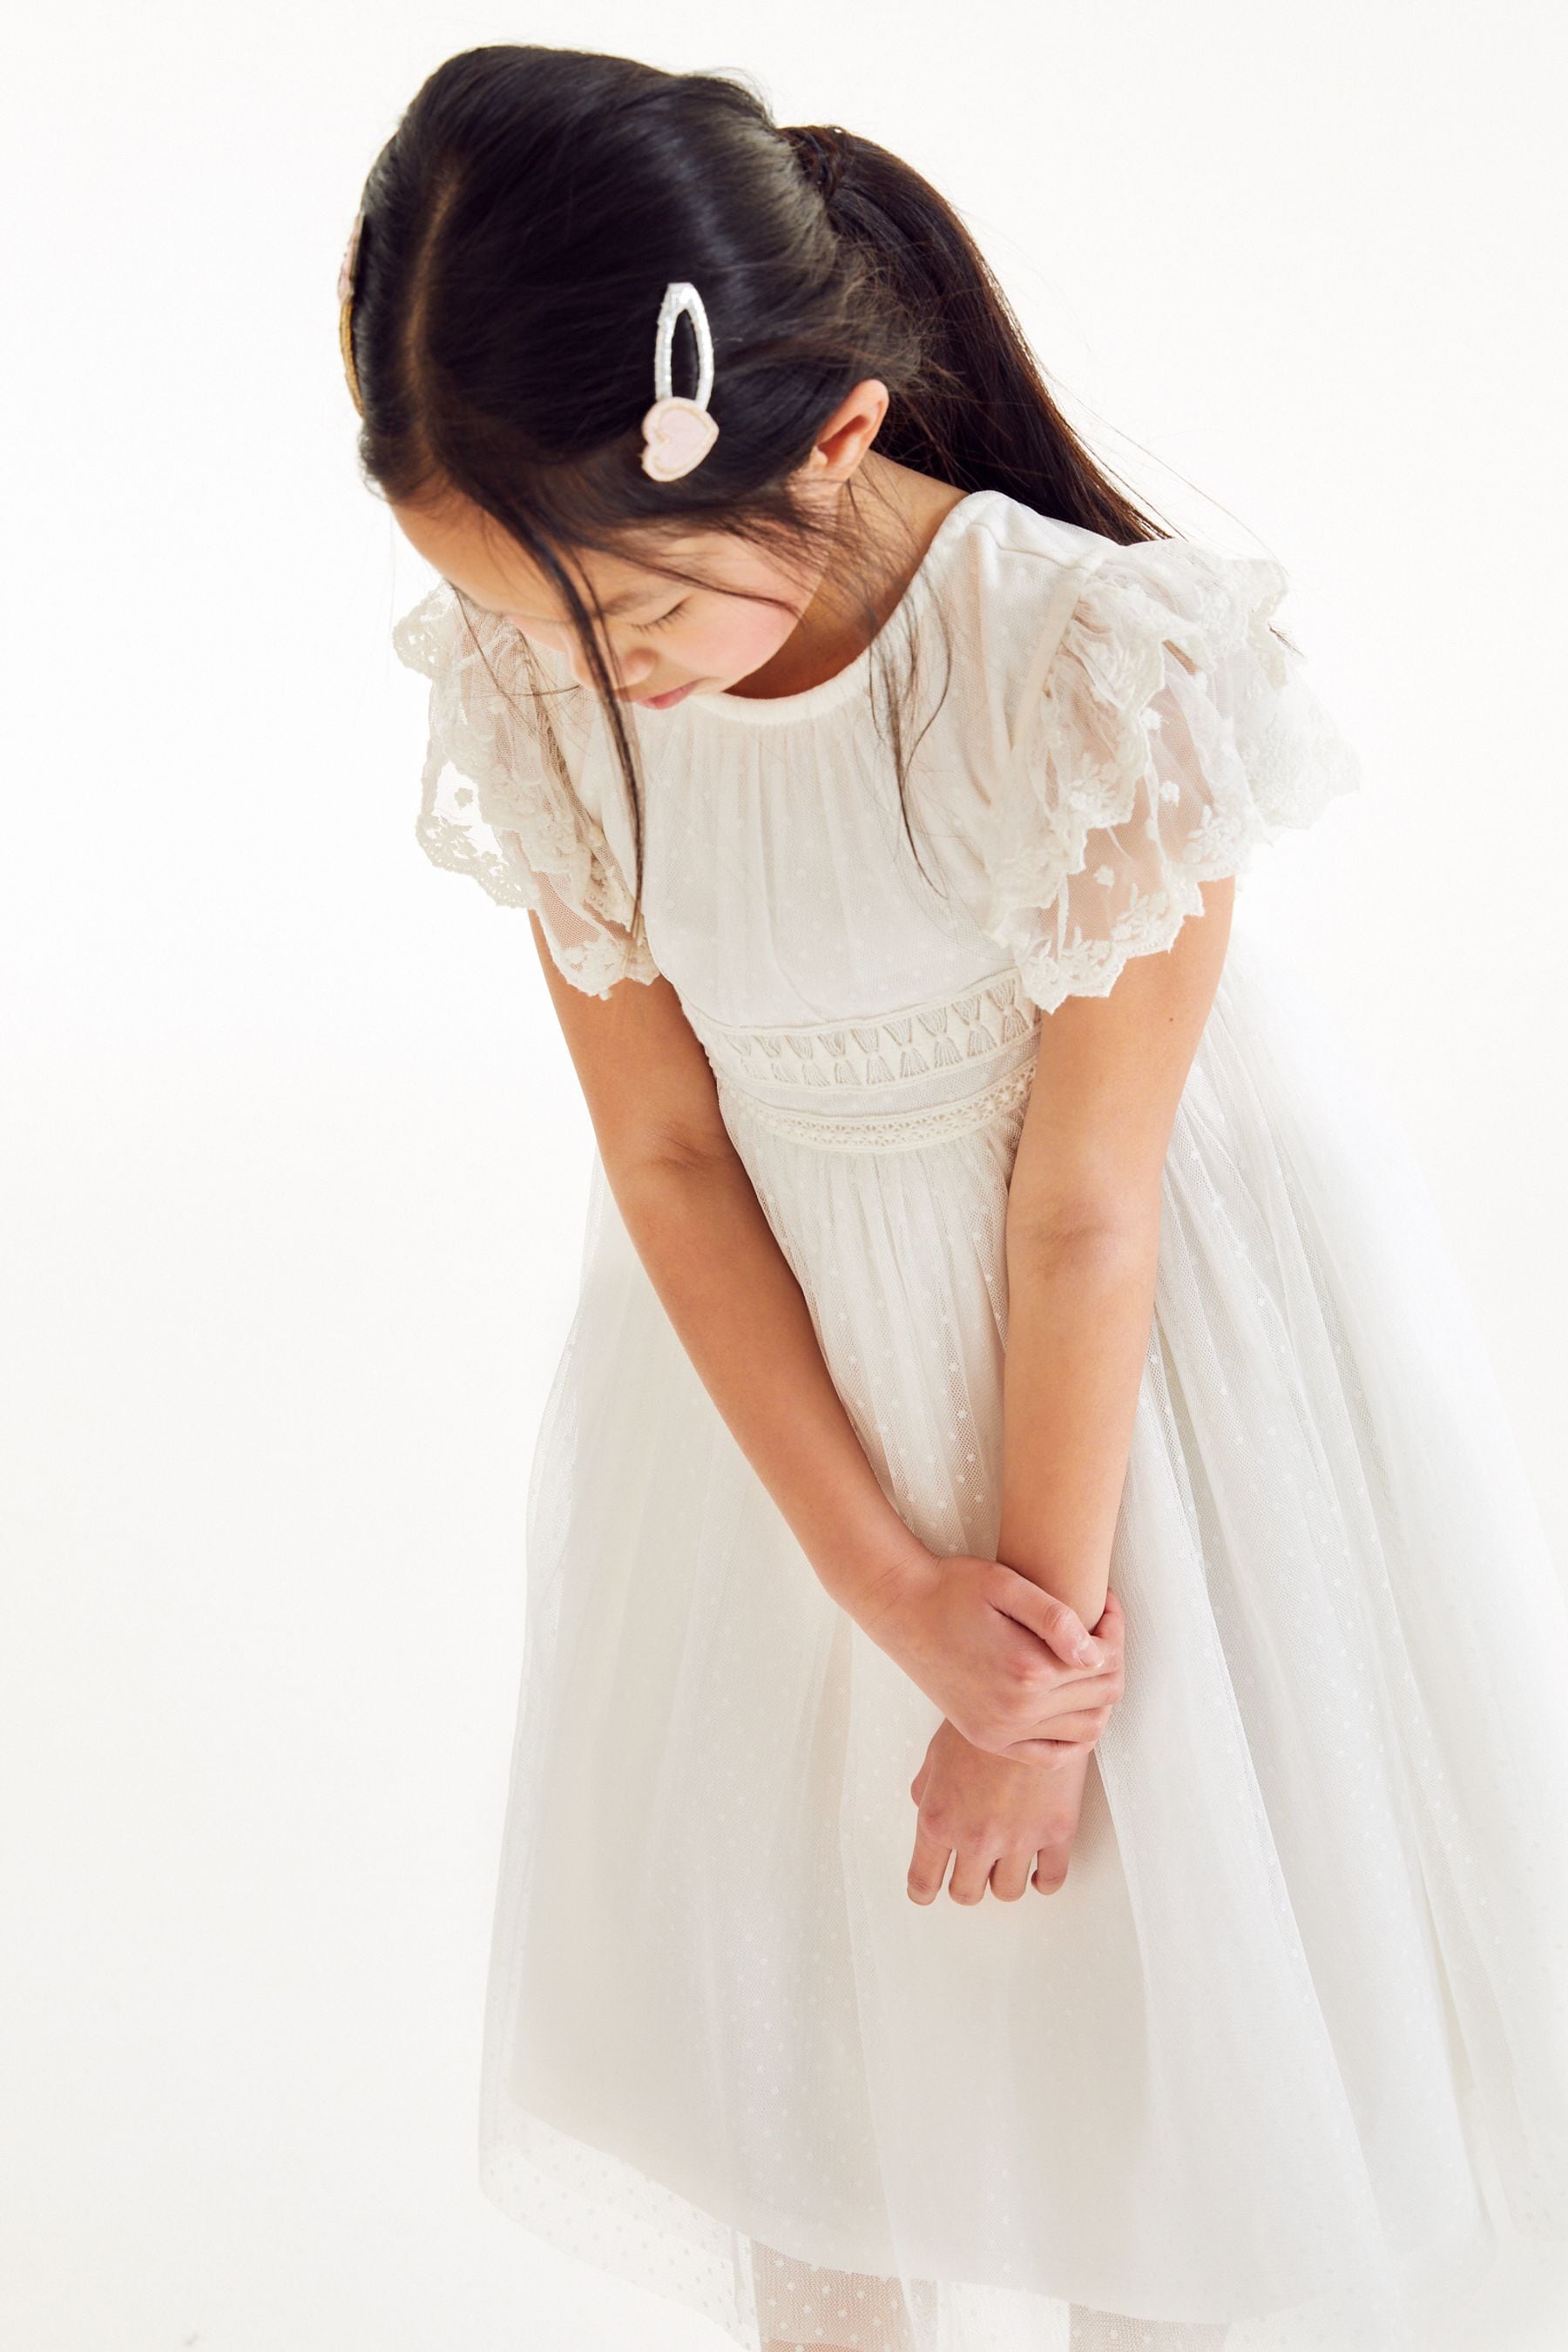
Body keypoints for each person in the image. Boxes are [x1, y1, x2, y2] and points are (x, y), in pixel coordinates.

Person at [336, 44, 1568, 2352]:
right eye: (519, 620)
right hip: (785, 1396)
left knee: (1142, 2012)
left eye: (611, 618)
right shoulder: (555, 692)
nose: (577, 680)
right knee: (791, 1993)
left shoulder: (1091, 669)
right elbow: (670, 1146)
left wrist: (1019, 1670)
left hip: (1117, 1405)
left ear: (831, 439)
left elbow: (1088, 1206)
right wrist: (879, 1573)